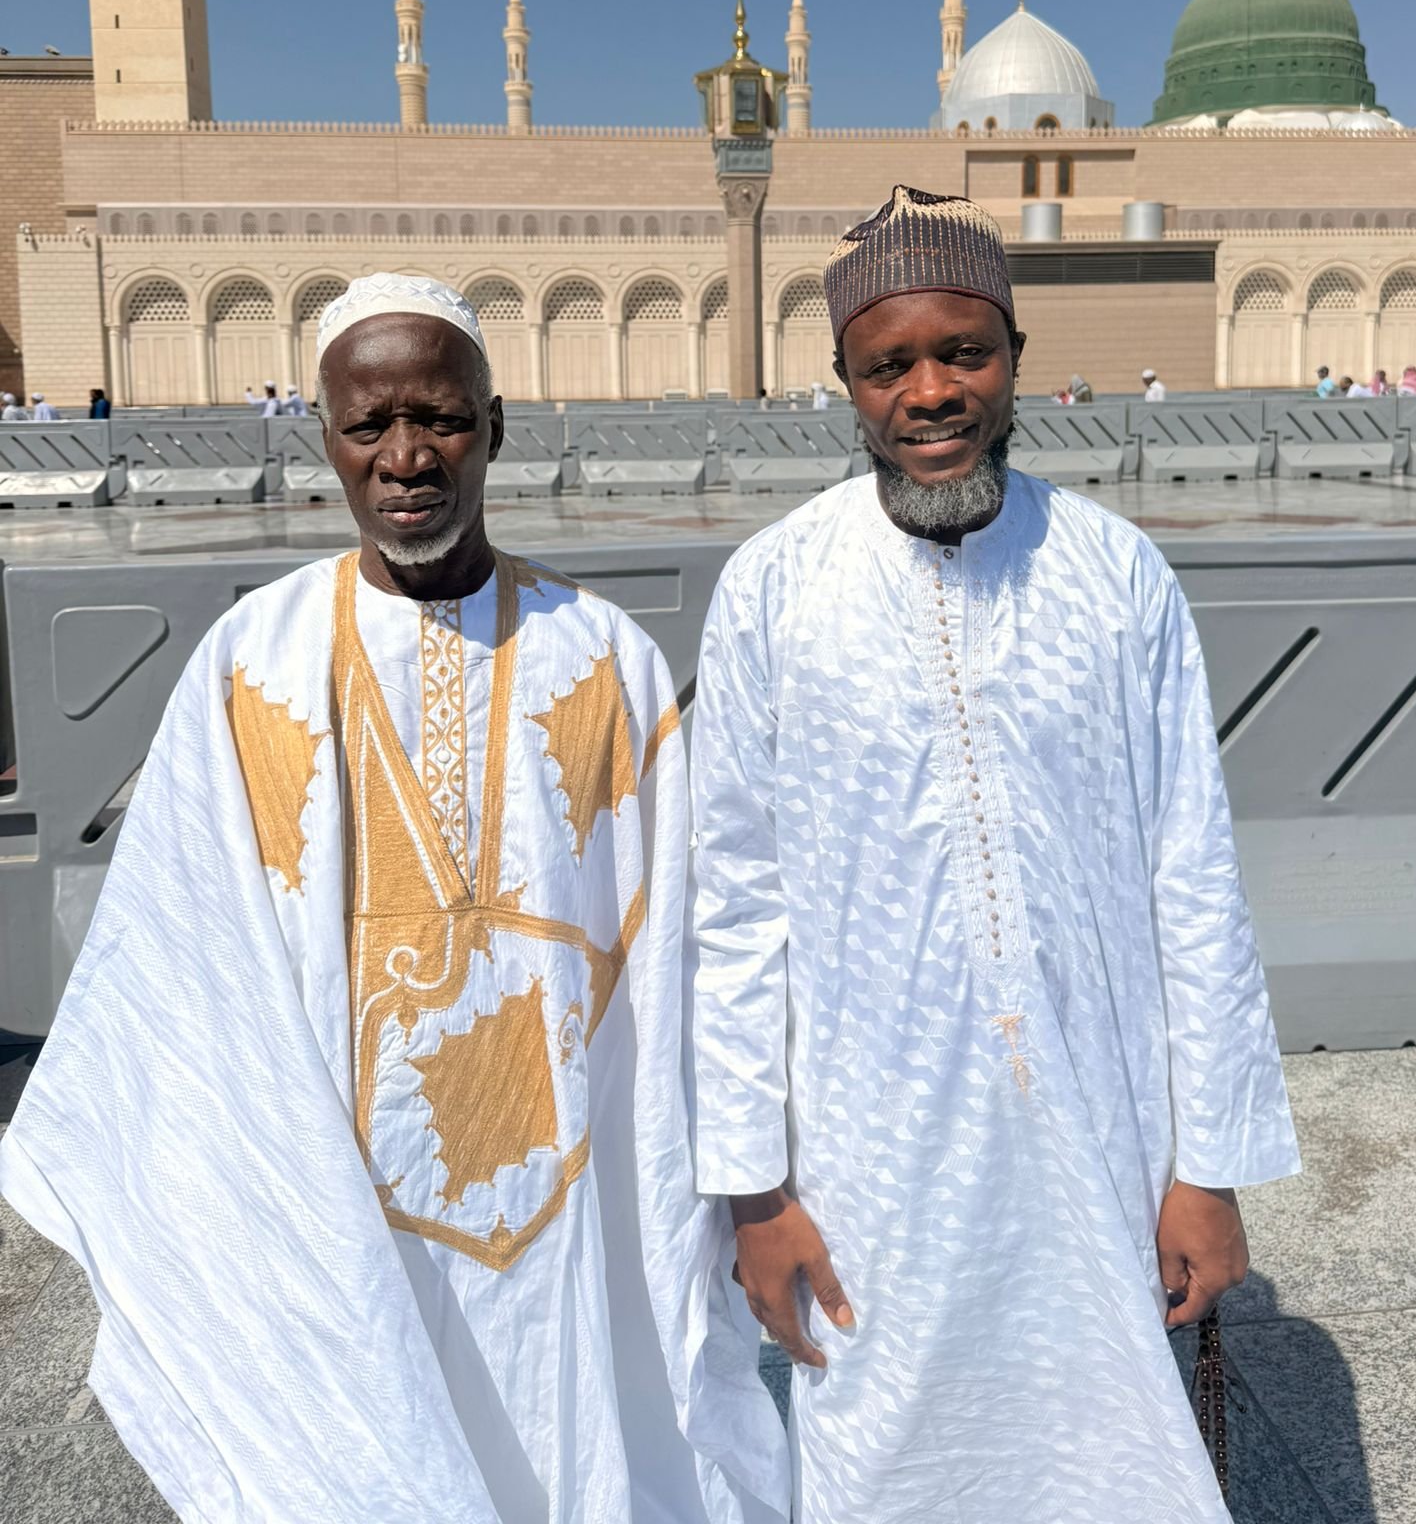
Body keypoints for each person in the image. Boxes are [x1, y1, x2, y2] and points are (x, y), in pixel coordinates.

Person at [0, 274, 782, 1524]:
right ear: (326, 436)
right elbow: (182, 950)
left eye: (442, 418)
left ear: (495, 426)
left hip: (566, 1191)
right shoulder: (253, 661)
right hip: (340, 1185)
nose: (407, 457)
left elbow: (677, 945)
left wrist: (740, 1176)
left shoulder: (605, 657)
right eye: (369, 424)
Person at [689, 186, 1299, 1524]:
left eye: (963, 352)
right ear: (847, 381)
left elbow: (1193, 878)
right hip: (869, 1158)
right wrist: (754, 1193)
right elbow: (733, 906)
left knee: (1111, 1458)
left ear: (1014, 355)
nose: (930, 392)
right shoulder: (773, 590)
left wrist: (1208, 1169)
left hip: (1096, 1131)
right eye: (889, 364)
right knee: (887, 1460)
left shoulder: (1116, 574)